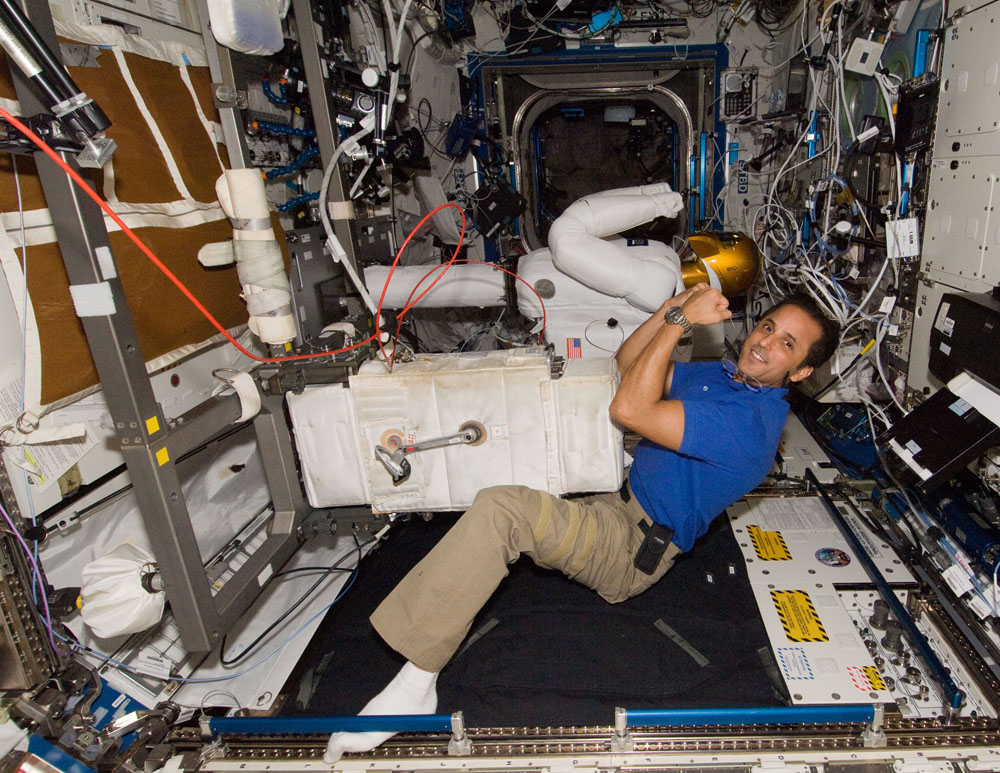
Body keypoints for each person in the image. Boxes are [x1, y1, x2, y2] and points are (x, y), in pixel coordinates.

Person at [324, 285, 841, 762]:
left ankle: (415, 684)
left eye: (787, 344)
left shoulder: (752, 427)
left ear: (799, 373)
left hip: (628, 548)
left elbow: (630, 409)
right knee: (517, 458)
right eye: (768, 327)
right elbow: (628, 366)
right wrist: (670, 309)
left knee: (505, 511)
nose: (765, 343)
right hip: (613, 497)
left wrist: (679, 321)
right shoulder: (724, 379)